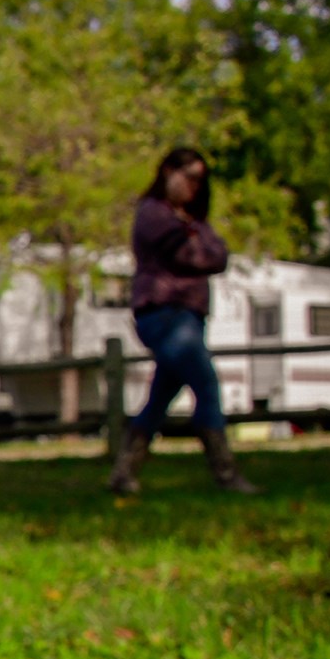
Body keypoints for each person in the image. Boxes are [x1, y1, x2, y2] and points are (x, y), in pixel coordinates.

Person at [108, 147, 259, 495]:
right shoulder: (153, 214)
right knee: (205, 383)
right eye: (189, 177)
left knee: (160, 397)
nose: (194, 186)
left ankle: (123, 472)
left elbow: (219, 255)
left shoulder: (192, 221)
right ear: (167, 172)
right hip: (164, 314)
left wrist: (199, 242)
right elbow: (191, 256)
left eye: (200, 180)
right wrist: (198, 246)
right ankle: (225, 473)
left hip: (190, 316)